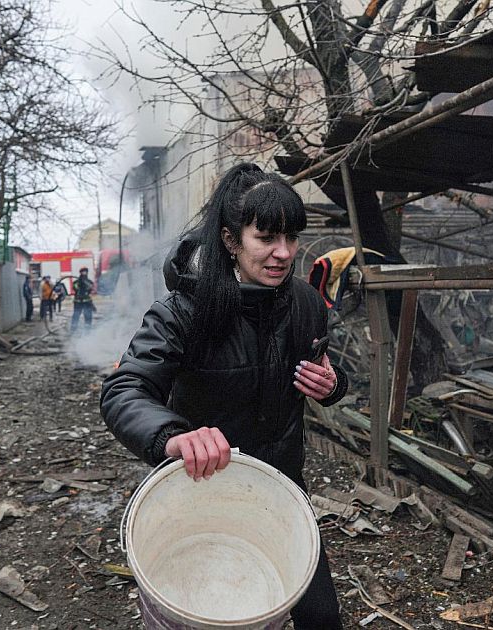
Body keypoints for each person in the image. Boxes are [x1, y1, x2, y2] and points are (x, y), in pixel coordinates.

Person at [101, 163, 347, 628]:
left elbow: (328, 370)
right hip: (203, 494)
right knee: (214, 612)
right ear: (232, 240)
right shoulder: (183, 312)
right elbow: (124, 389)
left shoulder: (308, 305)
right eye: (266, 238)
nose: (283, 253)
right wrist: (174, 437)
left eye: (291, 238)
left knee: (320, 616)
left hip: (282, 493)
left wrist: (334, 386)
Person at [71, 267, 95, 331]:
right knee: (76, 316)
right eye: (83, 272)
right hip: (78, 302)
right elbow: (75, 288)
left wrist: (86, 284)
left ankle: (88, 331)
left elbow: (90, 289)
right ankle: (73, 330)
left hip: (87, 302)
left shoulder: (90, 282)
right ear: (80, 273)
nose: (84, 273)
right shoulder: (76, 282)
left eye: (85, 272)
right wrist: (80, 283)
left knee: (88, 317)